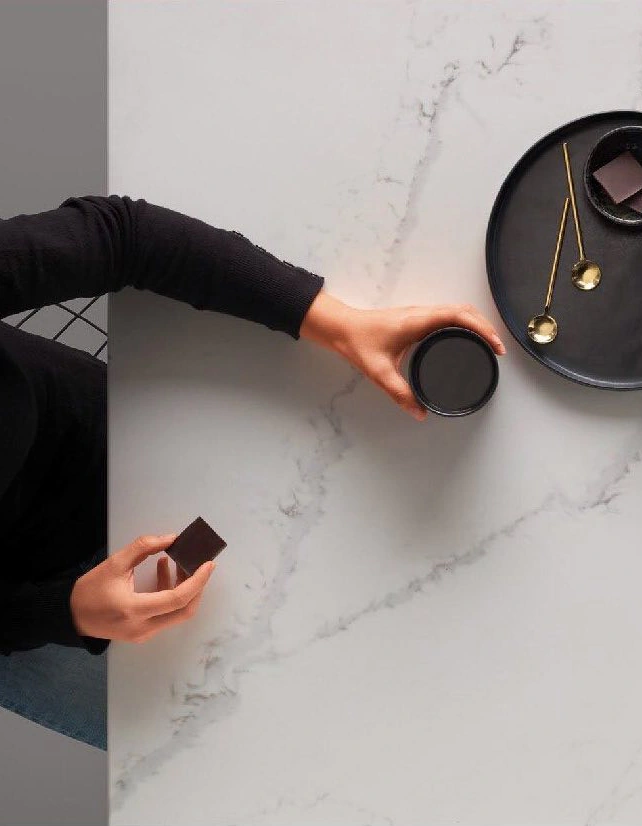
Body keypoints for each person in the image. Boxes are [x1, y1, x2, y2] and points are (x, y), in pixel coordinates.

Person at [0, 195, 506, 749]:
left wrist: (339, 324)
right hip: (44, 616)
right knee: (237, 755)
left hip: (129, 434)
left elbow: (125, 236)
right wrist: (66, 613)